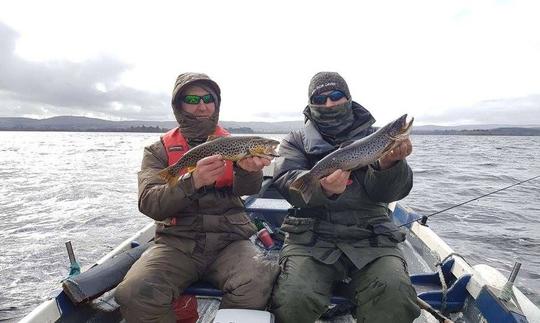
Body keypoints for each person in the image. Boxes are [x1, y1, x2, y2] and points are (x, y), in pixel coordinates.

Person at [115, 72, 279, 323]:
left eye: (208, 99)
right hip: (176, 244)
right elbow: (150, 203)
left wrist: (249, 171)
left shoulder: (234, 144)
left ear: (216, 103)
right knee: (134, 292)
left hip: (230, 242)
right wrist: (193, 182)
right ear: (178, 105)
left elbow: (247, 190)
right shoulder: (157, 151)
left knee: (259, 277)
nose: (202, 106)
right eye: (192, 99)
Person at [270, 72, 421, 323]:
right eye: (321, 98)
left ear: (348, 98)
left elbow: (390, 194)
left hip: (371, 238)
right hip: (311, 240)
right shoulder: (295, 141)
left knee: (395, 292)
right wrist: (324, 189)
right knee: (293, 297)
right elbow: (289, 185)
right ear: (311, 104)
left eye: (336, 95)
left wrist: (389, 164)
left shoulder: (376, 137)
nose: (329, 103)